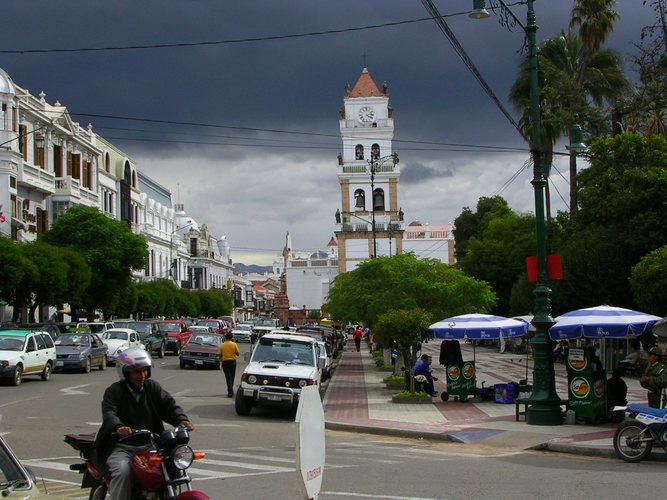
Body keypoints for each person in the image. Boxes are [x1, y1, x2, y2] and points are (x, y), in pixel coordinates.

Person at [94, 347, 193, 500]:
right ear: (126, 373)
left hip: (151, 445)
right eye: (136, 372)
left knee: (170, 467)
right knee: (123, 472)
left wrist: (181, 419)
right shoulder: (114, 391)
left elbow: (168, 405)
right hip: (122, 447)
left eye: (144, 371)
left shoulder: (152, 387)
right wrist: (119, 427)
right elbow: (109, 413)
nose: (142, 375)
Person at [219, 332, 240, 398]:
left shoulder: (222, 345)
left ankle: (230, 391)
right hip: (232, 362)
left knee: (228, 378)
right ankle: (230, 391)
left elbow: (220, 355)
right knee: (232, 377)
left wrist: (220, 359)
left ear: (225, 338)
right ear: (231, 338)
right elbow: (238, 353)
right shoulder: (234, 344)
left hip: (225, 362)